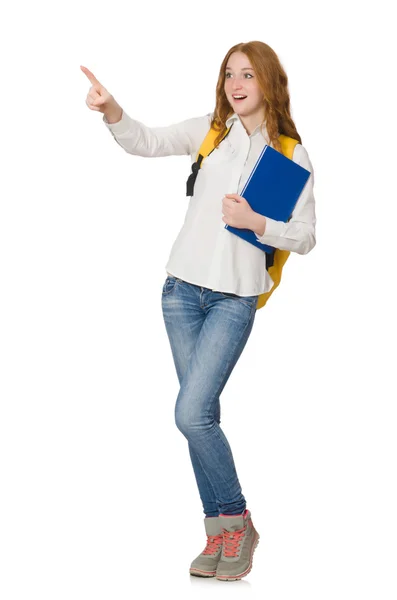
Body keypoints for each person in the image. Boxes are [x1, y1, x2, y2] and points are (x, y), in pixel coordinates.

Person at [81, 40, 316, 582]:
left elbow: (304, 237)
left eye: (248, 75)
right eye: (230, 74)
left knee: (190, 414)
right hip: (181, 292)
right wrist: (113, 110)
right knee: (200, 419)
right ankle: (219, 534)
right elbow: (146, 140)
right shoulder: (211, 132)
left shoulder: (288, 155)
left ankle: (239, 521)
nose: (236, 84)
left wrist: (258, 224)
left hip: (234, 298)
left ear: (269, 84)